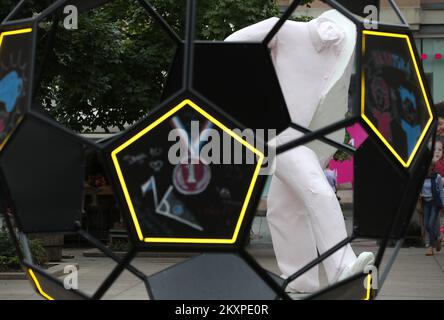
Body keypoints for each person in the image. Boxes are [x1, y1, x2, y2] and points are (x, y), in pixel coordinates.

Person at [226, 10, 374, 293]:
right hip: (276, 131)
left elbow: (333, 102)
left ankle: (300, 281)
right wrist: (252, 94)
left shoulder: (344, 54)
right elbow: (230, 46)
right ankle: (343, 268)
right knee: (317, 190)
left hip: (310, 138)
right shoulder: (284, 30)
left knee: (284, 209)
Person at [420, 160, 444, 256]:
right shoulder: (421, 176)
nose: (428, 167)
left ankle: (431, 247)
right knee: (426, 224)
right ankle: (437, 239)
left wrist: (442, 204)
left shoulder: (437, 177)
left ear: (432, 167)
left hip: (434, 202)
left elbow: (441, 191)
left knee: (430, 224)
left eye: (429, 166)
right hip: (425, 202)